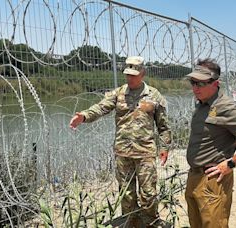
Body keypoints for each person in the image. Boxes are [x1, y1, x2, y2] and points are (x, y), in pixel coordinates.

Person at [69, 56, 172, 227]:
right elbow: (101, 108)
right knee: (127, 195)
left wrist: (165, 147)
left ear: (143, 73)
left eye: (134, 75)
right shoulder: (118, 94)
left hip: (145, 153)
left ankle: (150, 223)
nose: (130, 78)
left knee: (148, 194)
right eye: (127, 75)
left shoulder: (154, 95)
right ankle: (131, 224)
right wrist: (84, 116)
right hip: (123, 153)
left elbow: (163, 126)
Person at [184, 58, 236, 228]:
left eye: (201, 83)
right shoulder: (202, 105)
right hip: (195, 176)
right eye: (193, 82)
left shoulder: (225, 107)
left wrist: (230, 164)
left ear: (216, 83)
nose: (195, 88)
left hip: (212, 180)